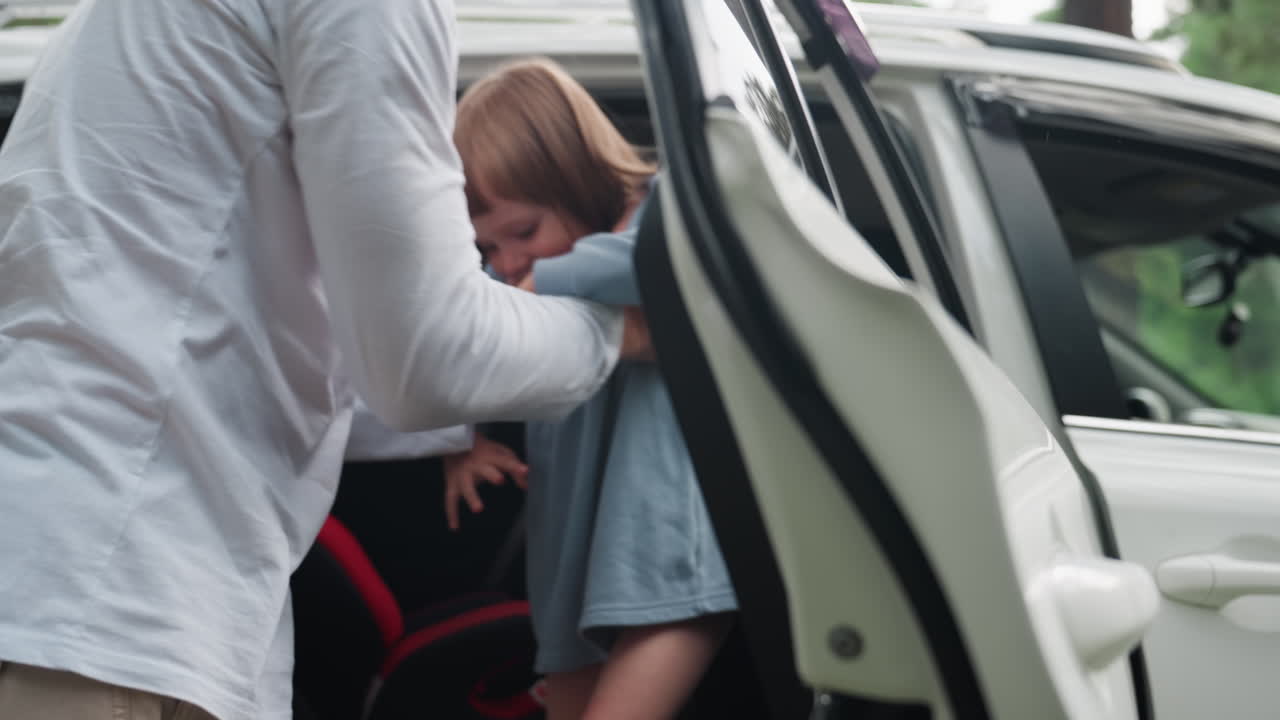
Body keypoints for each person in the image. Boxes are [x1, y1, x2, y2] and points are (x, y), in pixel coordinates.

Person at [0, 2, 648, 719]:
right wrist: (620, 330)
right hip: (119, 592)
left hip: (94, 579)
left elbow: (303, 356)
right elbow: (425, 359)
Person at [445, 58, 738, 720]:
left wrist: (531, 286)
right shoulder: (534, 275)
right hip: (573, 566)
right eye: (486, 247)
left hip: (667, 559)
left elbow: (657, 257)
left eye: (522, 232)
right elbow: (459, 341)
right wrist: (462, 440)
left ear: (580, 178)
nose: (509, 261)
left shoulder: (664, 218)